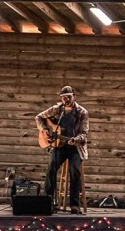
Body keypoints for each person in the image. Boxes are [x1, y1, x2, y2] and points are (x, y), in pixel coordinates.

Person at [35, 86, 89, 214]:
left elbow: (84, 133)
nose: (66, 99)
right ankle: (48, 201)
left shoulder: (82, 112)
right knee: (51, 167)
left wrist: (75, 139)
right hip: (60, 146)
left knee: (74, 170)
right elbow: (39, 117)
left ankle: (74, 205)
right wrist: (45, 129)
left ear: (74, 96)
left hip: (76, 148)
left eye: (69, 97)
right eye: (64, 97)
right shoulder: (57, 109)